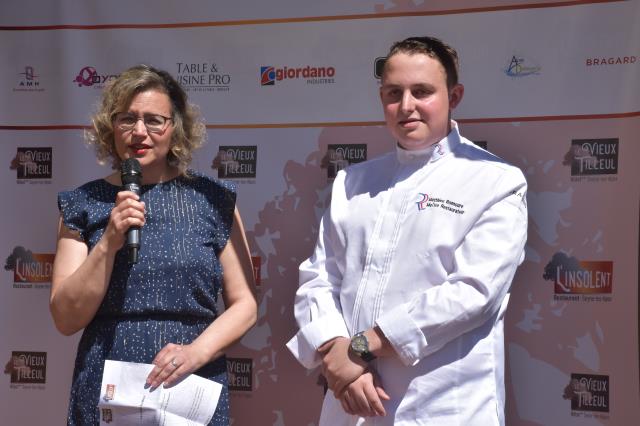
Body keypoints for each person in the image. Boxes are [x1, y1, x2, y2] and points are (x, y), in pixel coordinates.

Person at [286, 36, 528, 425]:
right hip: (351, 403)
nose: (406, 106)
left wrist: (362, 347)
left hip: (444, 405)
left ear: (455, 95)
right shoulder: (353, 180)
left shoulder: (495, 180)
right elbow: (319, 277)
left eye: (422, 92)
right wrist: (336, 350)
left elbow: (474, 292)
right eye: (393, 93)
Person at [50, 65, 258, 425]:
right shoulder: (83, 204)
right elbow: (66, 317)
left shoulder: (213, 199)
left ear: (174, 127)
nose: (139, 132)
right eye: (127, 119)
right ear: (110, 127)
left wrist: (195, 353)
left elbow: (245, 305)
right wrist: (108, 243)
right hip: (106, 389)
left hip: (190, 384)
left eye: (154, 120)